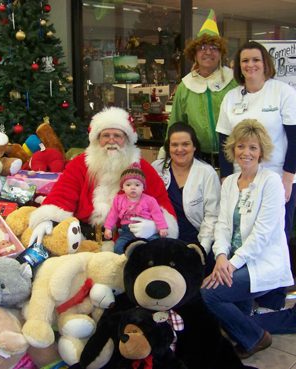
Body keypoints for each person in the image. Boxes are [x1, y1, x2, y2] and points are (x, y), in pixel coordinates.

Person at [201, 119, 294, 359]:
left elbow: (263, 233)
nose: (246, 153)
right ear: (233, 149)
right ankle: (246, 328)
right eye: (241, 146)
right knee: (229, 310)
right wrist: (221, 256)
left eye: (253, 147)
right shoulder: (230, 182)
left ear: (262, 152)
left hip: (259, 261)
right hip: (232, 260)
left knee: (209, 294)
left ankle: (256, 338)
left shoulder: (271, 182)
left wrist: (231, 264)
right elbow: (222, 225)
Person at [216, 40, 296, 311]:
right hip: (242, 176)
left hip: (277, 176)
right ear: (238, 67)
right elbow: (223, 138)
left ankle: (272, 302)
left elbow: (294, 137)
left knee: (273, 238)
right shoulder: (231, 98)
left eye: (256, 60)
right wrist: (227, 178)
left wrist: (288, 177)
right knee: (241, 233)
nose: (250, 65)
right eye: (245, 61)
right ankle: (244, 296)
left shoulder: (282, 92)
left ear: (266, 63)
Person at [28, 106, 178, 247]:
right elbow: (63, 194)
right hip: (83, 242)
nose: (111, 140)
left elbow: (162, 203)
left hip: (128, 244)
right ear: (97, 139)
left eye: (117, 135)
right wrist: (47, 219)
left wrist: (155, 226)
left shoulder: (143, 168)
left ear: (127, 139)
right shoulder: (80, 164)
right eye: (106, 135)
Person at [166, 9, 237, 166]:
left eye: (214, 47)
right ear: (194, 53)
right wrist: (166, 155)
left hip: (234, 157)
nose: (208, 52)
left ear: (221, 53)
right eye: (202, 47)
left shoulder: (233, 81)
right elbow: (176, 123)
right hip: (196, 160)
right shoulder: (185, 86)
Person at [152, 122, 220, 261]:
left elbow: (212, 216)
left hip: (194, 242)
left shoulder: (207, 173)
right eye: (174, 145)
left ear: (194, 146)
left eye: (185, 144)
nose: (180, 149)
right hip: (162, 238)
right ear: (168, 147)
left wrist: (202, 248)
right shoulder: (157, 168)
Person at [104, 164, 168, 254]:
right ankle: (125, 262)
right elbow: (113, 214)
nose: (133, 188)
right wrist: (108, 228)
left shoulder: (150, 200)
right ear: (122, 187)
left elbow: (157, 214)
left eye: (137, 185)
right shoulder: (118, 199)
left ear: (143, 187)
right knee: (118, 247)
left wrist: (162, 227)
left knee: (156, 245)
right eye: (128, 184)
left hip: (147, 231)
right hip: (127, 232)